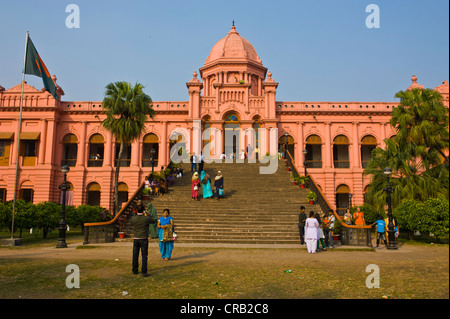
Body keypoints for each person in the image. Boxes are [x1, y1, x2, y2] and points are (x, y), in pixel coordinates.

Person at [130, 202, 157, 276]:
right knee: (144, 255)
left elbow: (131, 223)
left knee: (135, 255)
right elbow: (154, 220)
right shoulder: (146, 218)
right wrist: (149, 214)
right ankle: (144, 271)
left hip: (136, 238)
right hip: (144, 238)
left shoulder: (134, 218)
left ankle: (135, 270)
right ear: (144, 210)